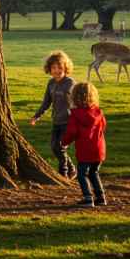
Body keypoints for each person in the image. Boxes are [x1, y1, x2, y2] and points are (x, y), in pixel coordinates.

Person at [30, 50, 76, 179]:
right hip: (56, 121)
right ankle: (72, 169)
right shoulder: (51, 83)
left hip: (68, 122)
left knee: (59, 146)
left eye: (60, 68)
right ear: (49, 69)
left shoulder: (70, 83)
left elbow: (77, 102)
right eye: (53, 68)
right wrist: (37, 116)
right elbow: (46, 102)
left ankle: (64, 173)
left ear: (65, 68)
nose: (56, 71)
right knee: (54, 147)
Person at [62, 82, 107, 207]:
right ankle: (101, 197)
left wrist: (64, 142)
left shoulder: (75, 115)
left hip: (85, 150)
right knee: (94, 173)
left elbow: (72, 132)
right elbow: (103, 126)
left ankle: (88, 198)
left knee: (82, 174)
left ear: (74, 97)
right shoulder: (98, 112)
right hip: (99, 149)